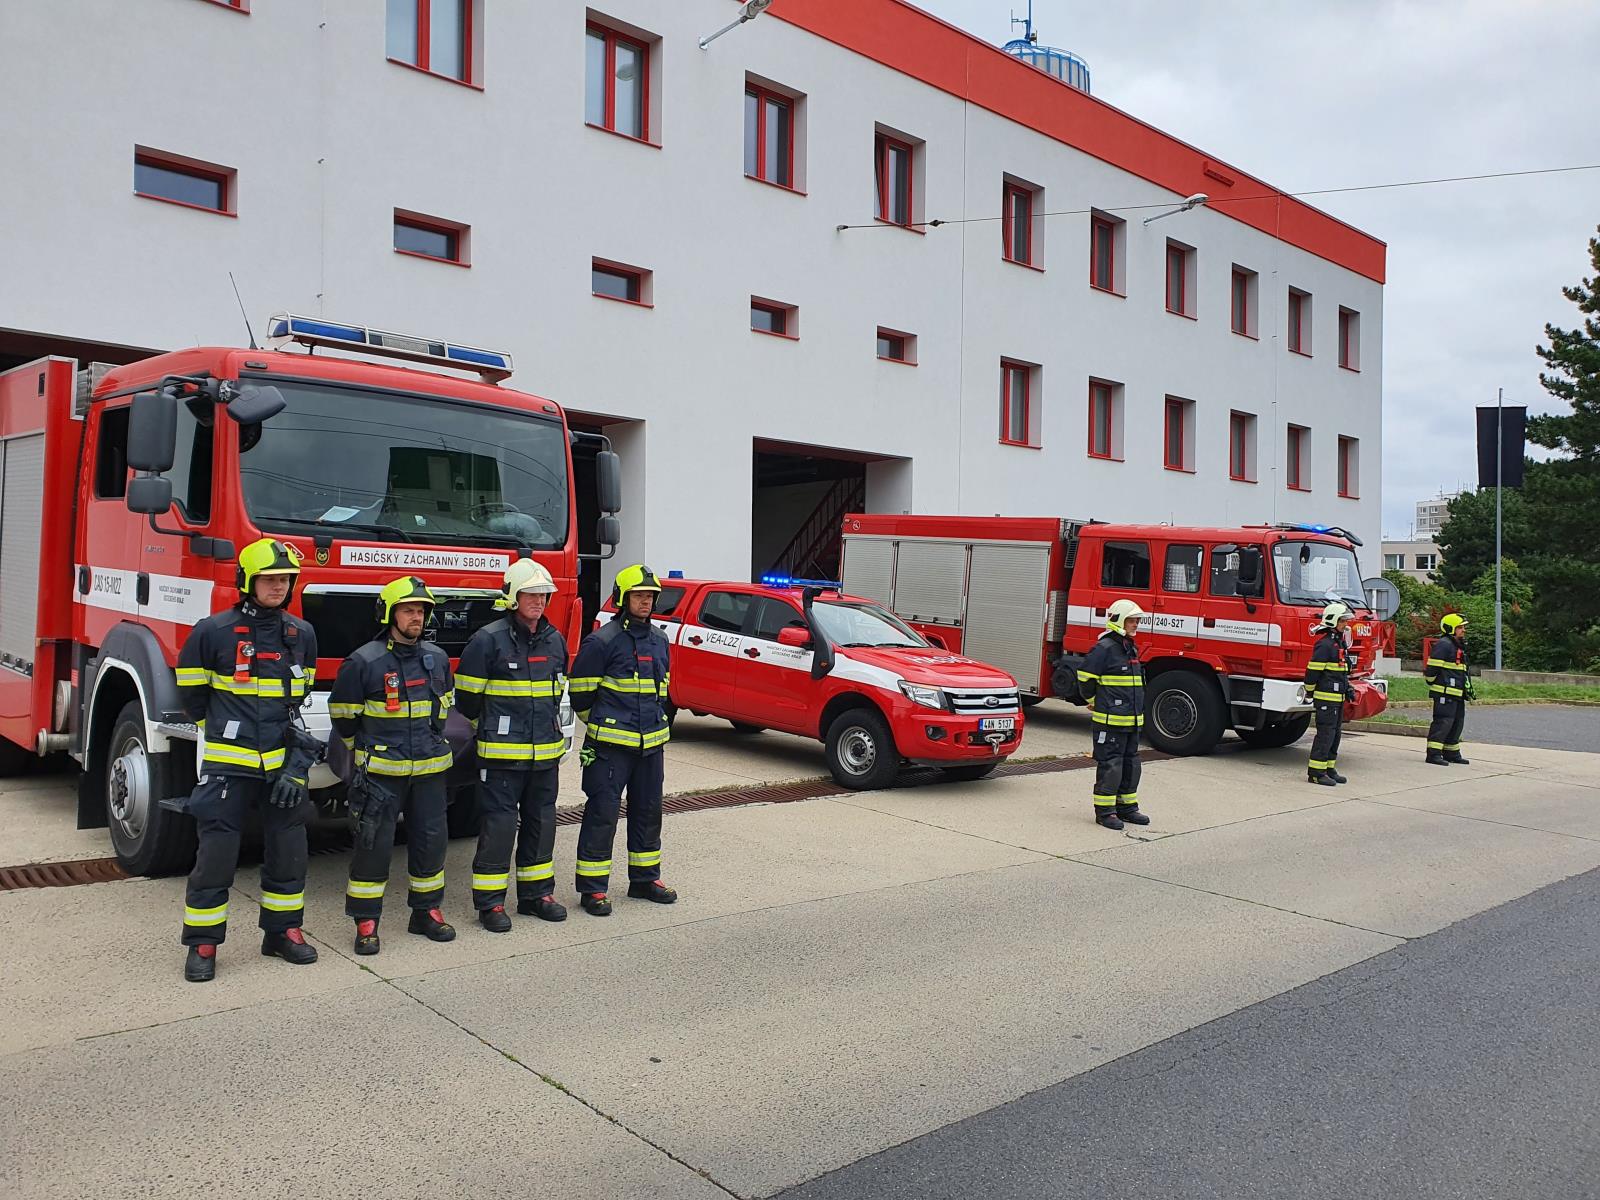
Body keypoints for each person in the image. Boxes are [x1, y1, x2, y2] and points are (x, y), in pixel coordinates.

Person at [176, 538, 321, 983]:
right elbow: (193, 697)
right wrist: (226, 732)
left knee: (289, 851)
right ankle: (203, 944)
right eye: (269, 579)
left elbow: (301, 697)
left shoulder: (302, 634)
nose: (277, 587)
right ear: (247, 582)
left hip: (282, 768)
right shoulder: (212, 631)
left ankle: (283, 933)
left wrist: (294, 768)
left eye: (284, 580)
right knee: (217, 854)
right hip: (227, 767)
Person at [330, 576, 457, 954]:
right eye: (408, 610)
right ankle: (366, 921)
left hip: (430, 772)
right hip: (382, 775)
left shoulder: (436, 658)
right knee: (374, 847)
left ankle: (426, 912)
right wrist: (365, 750)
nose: (416, 617)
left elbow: (444, 705)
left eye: (421, 611)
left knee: (431, 844)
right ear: (389, 614)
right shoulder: (363, 661)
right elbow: (344, 715)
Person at [454, 560, 571, 930]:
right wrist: (493, 730)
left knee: (541, 823)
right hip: (502, 757)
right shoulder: (488, 640)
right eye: (531, 594)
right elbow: (467, 701)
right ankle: (490, 904)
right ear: (512, 597)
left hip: (544, 755)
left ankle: (537, 895)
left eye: (543, 594)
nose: (538, 601)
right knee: (499, 828)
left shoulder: (554, 639)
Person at [567, 564, 676, 915]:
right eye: (639, 596)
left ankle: (645, 879)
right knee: (602, 814)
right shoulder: (602, 641)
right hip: (610, 748)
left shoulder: (660, 640)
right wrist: (602, 727)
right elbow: (581, 695)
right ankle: (593, 889)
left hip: (650, 746)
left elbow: (662, 691)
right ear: (622, 599)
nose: (646, 602)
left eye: (650, 596)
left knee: (648, 813)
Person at [1077, 598, 1149, 829]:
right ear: (1119, 621)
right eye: (1131, 620)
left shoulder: (1130, 647)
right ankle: (1106, 812)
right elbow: (1085, 678)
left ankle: (1127, 808)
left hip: (1132, 720)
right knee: (1112, 764)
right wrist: (1097, 702)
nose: (1135, 624)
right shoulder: (1104, 648)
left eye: (1137, 620)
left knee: (1131, 764)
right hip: (1110, 722)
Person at [1305, 602, 1354, 786]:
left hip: (1338, 698)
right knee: (1325, 734)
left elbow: (1340, 672)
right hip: (1326, 699)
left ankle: (1329, 768)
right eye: (1342, 621)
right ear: (1333, 621)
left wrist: (1348, 688)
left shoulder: (1338, 643)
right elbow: (1312, 672)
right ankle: (1316, 772)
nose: (1346, 625)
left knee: (1335, 734)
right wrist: (1309, 691)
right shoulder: (1324, 645)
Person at [1424, 613, 1473, 766]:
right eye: (1460, 627)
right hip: (1445, 693)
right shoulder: (1444, 644)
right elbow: (1432, 670)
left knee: (1457, 723)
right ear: (1450, 628)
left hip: (1457, 693)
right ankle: (1433, 754)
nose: (1463, 630)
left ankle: (1451, 753)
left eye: (1464, 627)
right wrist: (1435, 684)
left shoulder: (1457, 645)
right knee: (1443, 723)